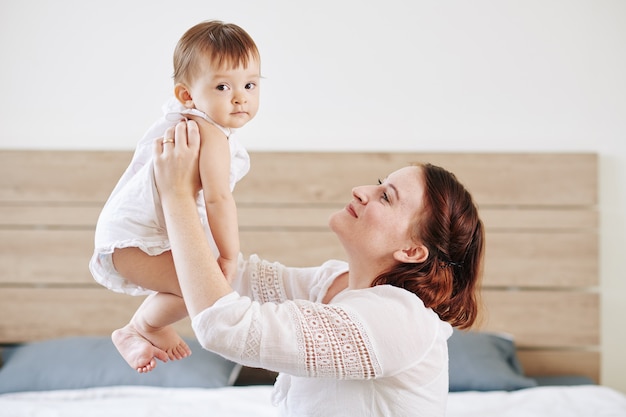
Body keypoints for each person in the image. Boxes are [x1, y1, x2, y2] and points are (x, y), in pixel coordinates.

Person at [141, 119, 485, 416]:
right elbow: (228, 277)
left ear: (412, 250)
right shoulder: (335, 284)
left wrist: (178, 198)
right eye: (378, 183)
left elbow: (227, 327)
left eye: (386, 197)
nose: (362, 190)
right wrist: (195, 187)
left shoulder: (401, 320)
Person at [88, 20, 261, 372]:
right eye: (223, 86)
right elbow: (218, 200)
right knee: (208, 287)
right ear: (187, 94)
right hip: (137, 238)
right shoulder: (207, 132)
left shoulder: (189, 123)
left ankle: (144, 326)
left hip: (129, 235)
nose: (240, 96)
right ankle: (142, 327)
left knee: (199, 286)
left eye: (250, 84)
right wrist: (228, 254)